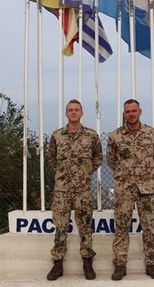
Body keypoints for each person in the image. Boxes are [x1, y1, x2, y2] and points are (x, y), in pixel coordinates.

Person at [107, 99, 154, 280]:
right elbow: (111, 159)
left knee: (149, 226)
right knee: (121, 226)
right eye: (128, 111)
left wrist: (145, 173)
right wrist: (125, 174)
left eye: (134, 111)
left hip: (146, 187)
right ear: (124, 114)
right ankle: (120, 264)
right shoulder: (115, 136)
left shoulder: (152, 134)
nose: (131, 114)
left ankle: (152, 263)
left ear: (140, 111)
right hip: (124, 188)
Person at [46, 99, 102, 281]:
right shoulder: (56, 135)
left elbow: (98, 158)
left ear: (82, 112)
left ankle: (87, 262)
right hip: (62, 190)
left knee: (85, 227)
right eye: (70, 110)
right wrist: (64, 175)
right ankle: (57, 264)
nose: (73, 112)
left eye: (76, 109)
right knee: (60, 227)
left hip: (83, 190)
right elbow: (52, 159)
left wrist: (84, 173)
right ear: (66, 113)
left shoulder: (91, 136)